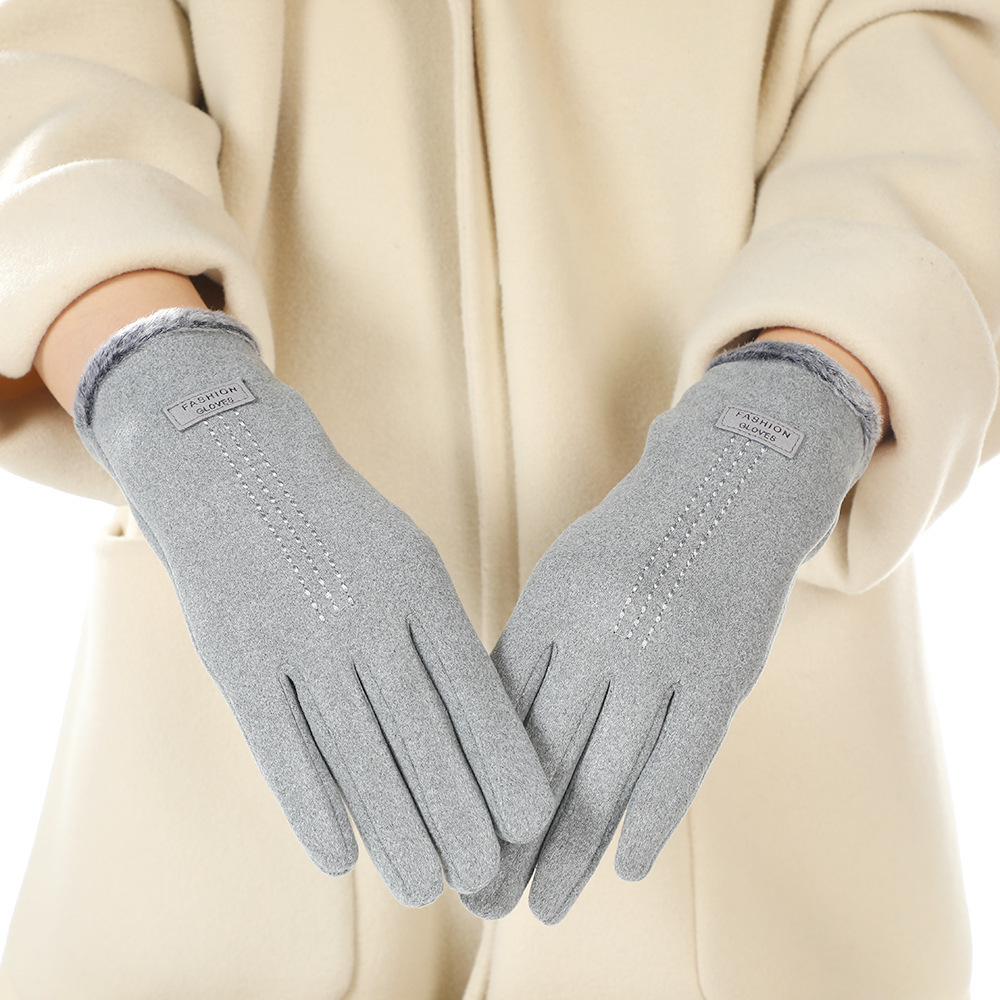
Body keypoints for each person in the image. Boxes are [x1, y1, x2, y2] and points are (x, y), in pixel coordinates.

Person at [1, 0, 997, 997]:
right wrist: (177, 405)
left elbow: (930, 47)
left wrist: (780, 422)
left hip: (755, 820)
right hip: (207, 808)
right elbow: (48, 54)